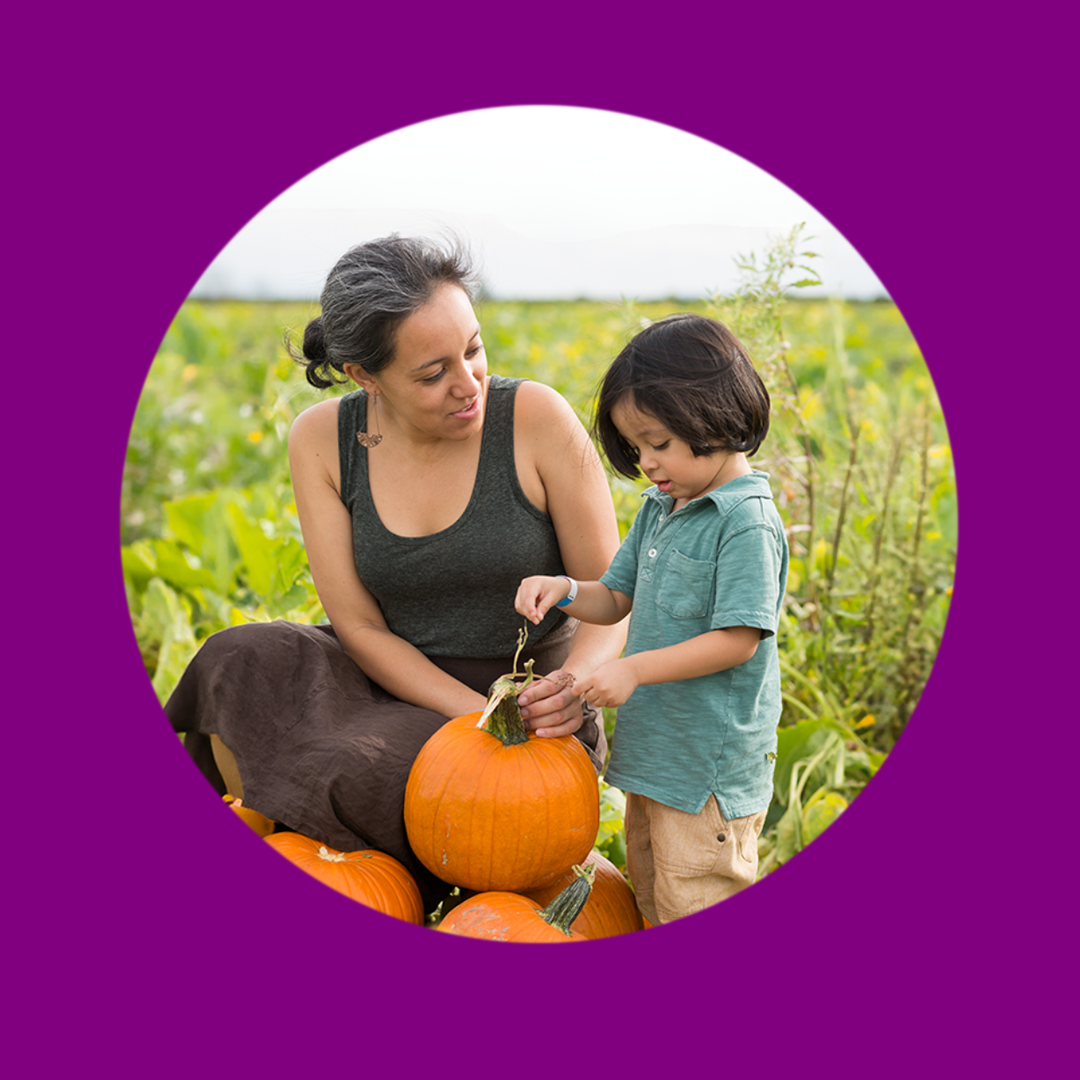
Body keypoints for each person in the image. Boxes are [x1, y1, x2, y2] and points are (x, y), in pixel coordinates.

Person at [166, 234, 627, 913]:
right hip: (386, 675)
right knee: (236, 660)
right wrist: (471, 715)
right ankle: (289, 834)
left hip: (528, 709)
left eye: (473, 350)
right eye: (432, 373)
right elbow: (355, 625)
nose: (467, 384)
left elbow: (612, 600)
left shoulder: (535, 419)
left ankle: (363, 860)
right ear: (363, 375)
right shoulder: (322, 439)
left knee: (365, 764)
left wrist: (569, 689)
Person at [515, 313, 789, 924]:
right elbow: (614, 599)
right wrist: (564, 589)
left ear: (714, 415)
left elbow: (738, 639)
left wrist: (634, 669)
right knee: (653, 900)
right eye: (636, 449)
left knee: (696, 901)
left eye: (659, 443)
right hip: (655, 759)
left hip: (707, 775)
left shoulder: (744, 520)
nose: (647, 463)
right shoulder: (660, 509)